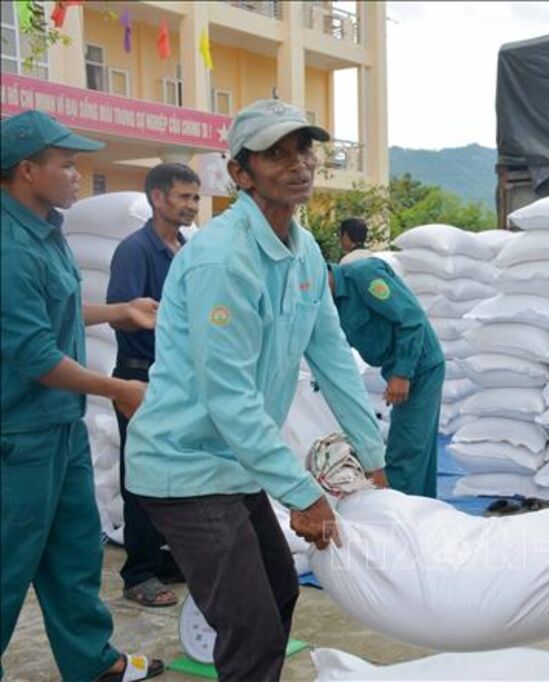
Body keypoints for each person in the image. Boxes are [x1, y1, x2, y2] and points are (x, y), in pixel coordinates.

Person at [124, 99, 388, 681]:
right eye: (276, 153)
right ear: (240, 173)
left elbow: (333, 359)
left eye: (304, 149)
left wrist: (373, 459)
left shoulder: (303, 252)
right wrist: (304, 495)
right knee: (251, 625)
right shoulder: (223, 259)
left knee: (279, 591)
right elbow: (230, 399)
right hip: (185, 464)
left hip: (234, 464)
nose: (298, 164)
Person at [1, 110, 164, 680]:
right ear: (27, 170)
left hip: (60, 427)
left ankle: (95, 664)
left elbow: (59, 309)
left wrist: (118, 310)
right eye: (66, 165)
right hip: (20, 437)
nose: (77, 175)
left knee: (74, 555)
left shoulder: (42, 232)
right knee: (8, 565)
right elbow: (36, 356)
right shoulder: (10, 248)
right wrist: (119, 388)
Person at [106, 163, 201, 608]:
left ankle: (164, 557)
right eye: (183, 196)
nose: (190, 205)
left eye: (195, 198)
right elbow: (124, 314)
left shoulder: (185, 249)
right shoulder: (136, 250)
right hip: (140, 374)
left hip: (177, 376)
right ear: (157, 198)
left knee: (175, 473)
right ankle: (138, 572)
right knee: (142, 475)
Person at [329, 257, 445, 497]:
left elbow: (411, 319)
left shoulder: (364, 275)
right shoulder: (329, 305)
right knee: (417, 451)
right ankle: (424, 515)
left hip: (419, 367)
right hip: (399, 369)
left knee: (404, 452)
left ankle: (401, 517)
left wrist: (402, 374)